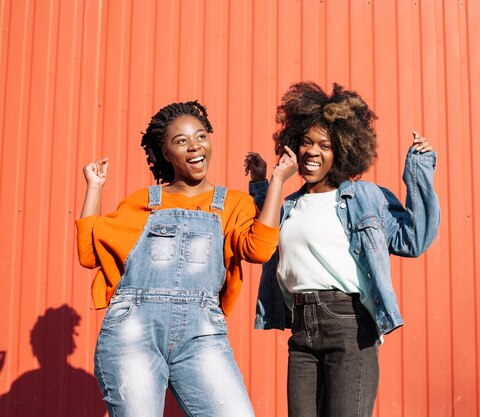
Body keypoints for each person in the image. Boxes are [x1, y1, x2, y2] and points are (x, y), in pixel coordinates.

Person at [76, 101, 297, 417]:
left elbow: (259, 250)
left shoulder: (233, 203)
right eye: (181, 141)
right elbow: (89, 252)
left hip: (202, 334)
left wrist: (276, 182)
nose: (195, 147)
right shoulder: (144, 202)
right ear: (166, 153)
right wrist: (95, 187)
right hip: (133, 332)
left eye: (201, 136)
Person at [244, 82, 440, 417]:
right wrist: (266, 182)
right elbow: (262, 236)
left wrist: (419, 169)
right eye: (306, 142)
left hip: (349, 324)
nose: (312, 152)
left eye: (325, 144)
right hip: (302, 328)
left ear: (342, 151)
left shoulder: (363, 197)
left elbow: (413, 239)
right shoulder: (289, 206)